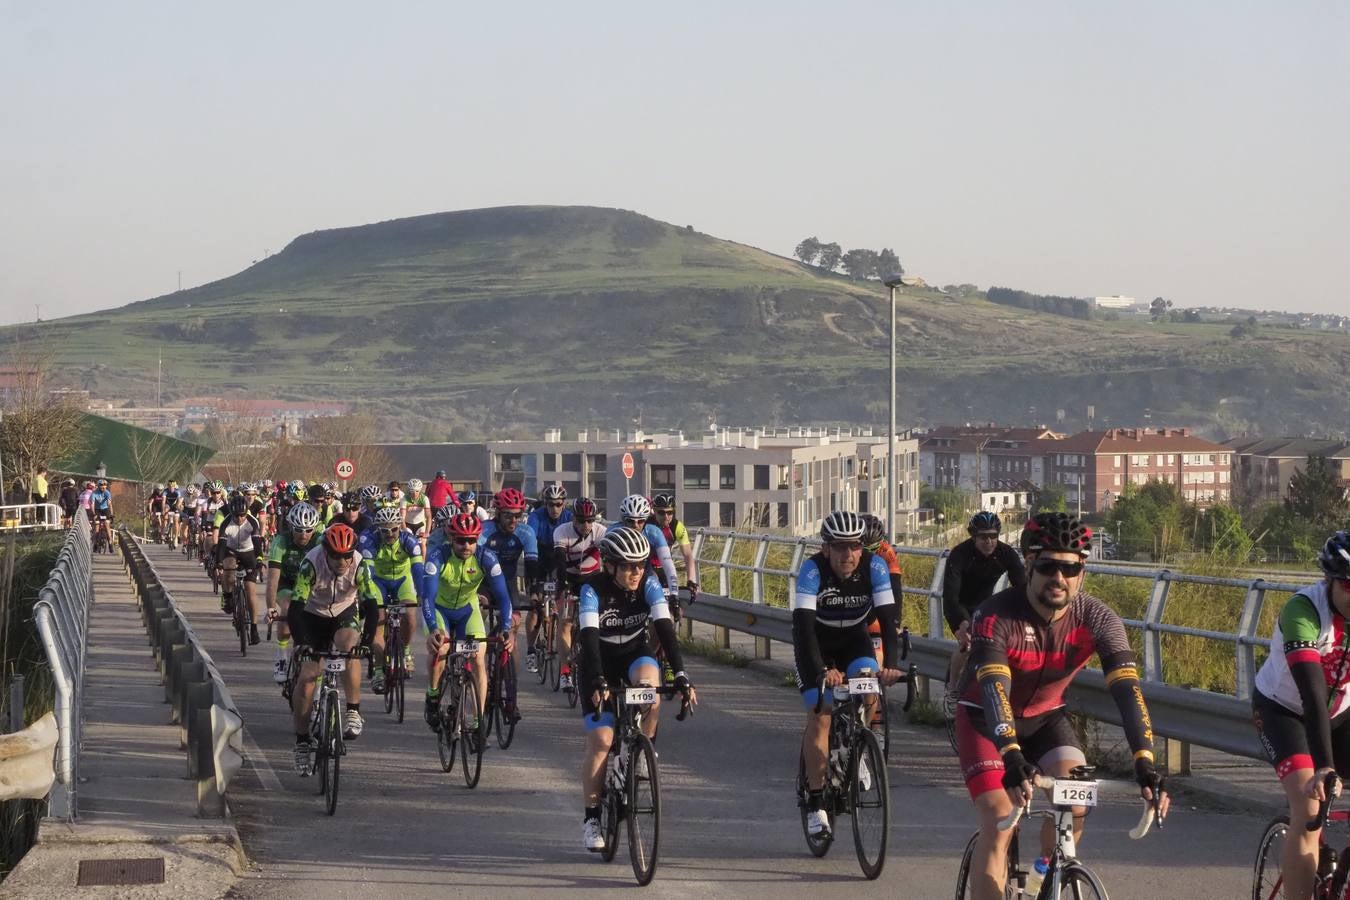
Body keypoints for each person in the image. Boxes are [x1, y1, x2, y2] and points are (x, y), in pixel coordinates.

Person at [956, 512, 1166, 900]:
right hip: (984, 720)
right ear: (1029, 565)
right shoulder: (996, 614)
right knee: (999, 821)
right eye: (1048, 566)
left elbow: (1127, 692)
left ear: (1082, 572)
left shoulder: (1098, 619)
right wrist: (1011, 755)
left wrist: (1145, 761)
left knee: (1076, 799)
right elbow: (994, 688)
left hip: (1046, 719)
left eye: (1070, 568)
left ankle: (1042, 877)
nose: (1059, 578)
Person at [578, 526, 695, 851]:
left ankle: (643, 750)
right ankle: (590, 819)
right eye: (629, 566)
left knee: (651, 688)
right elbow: (588, 640)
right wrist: (600, 680)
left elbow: (664, 628)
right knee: (602, 740)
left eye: (641, 564)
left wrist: (682, 674)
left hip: (633, 653)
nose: (636, 571)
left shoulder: (648, 583)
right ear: (611, 565)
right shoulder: (592, 589)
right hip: (597, 661)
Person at [792, 510, 905, 839]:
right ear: (826, 548)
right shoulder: (812, 571)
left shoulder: (875, 567)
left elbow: (887, 620)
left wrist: (891, 664)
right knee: (822, 715)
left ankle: (859, 744)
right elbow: (804, 628)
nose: (848, 554)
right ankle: (816, 804)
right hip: (815, 645)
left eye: (854, 547)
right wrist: (822, 671)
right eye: (840, 547)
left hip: (855, 640)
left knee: (870, 689)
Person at [1251, 532, 1350, 900]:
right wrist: (1324, 766)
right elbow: (1311, 695)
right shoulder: (1303, 612)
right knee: (1309, 807)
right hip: (1283, 711)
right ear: (1330, 580)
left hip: (1341, 712)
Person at [283, 524, 378, 774]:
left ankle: (353, 711)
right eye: (336, 555)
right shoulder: (310, 563)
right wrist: (302, 642)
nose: (342, 561)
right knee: (307, 678)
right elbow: (295, 609)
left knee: (350, 647)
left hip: (344, 612)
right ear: (326, 552)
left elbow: (371, 606)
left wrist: (366, 643)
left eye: (347, 555)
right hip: (312, 616)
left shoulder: (359, 564)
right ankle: (302, 741)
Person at [420, 513, 514, 729]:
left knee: (479, 656)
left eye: (471, 540)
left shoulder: (486, 557)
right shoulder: (437, 557)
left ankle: (478, 721)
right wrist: (434, 628)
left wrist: (506, 627)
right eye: (461, 540)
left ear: (477, 539)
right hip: (439, 609)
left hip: (466, 609)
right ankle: (433, 694)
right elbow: (428, 597)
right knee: (441, 650)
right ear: (451, 539)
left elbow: (503, 597)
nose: (466, 545)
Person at [943, 511, 1027, 718]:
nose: (989, 541)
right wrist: (961, 624)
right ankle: (952, 690)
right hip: (959, 605)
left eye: (993, 536)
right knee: (967, 644)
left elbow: (1023, 588)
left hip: (987, 605)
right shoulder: (959, 554)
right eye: (983, 537)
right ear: (973, 536)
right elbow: (951, 597)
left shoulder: (1006, 553)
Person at [359, 505, 426, 695]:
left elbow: (418, 571)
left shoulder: (409, 540)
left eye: (394, 529)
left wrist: (422, 595)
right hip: (378, 582)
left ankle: (405, 650)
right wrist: (370, 599)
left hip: (402, 581)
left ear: (400, 527)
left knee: (410, 615)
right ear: (378, 530)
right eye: (385, 531)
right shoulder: (369, 540)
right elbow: (368, 574)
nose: (390, 534)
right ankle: (379, 670)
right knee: (377, 620)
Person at [551, 498, 607, 693]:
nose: (586, 525)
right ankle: (565, 672)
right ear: (573, 518)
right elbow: (559, 561)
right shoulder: (562, 531)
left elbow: (608, 560)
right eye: (582, 520)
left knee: (600, 620)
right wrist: (563, 584)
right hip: (568, 578)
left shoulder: (600, 531)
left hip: (592, 579)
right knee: (565, 622)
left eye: (590, 520)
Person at [265, 502, 323, 684]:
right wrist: (269, 608)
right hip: (287, 582)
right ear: (291, 526)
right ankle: (281, 657)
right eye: (299, 529)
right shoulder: (281, 542)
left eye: (308, 530)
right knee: (288, 609)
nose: (304, 535)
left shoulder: (321, 540)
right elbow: (273, 578)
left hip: (312, 584)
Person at [524, 483, 571, 674]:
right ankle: (530, 649)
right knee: (535, 607)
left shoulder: (568, 517)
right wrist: (534, 581)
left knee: (565, 607)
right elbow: (530, 541)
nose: (555, 509)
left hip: (560, 560)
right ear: (545, 504)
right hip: (540, 559)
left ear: (564, 504)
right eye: (551, 504)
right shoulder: (536, 517)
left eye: (559, 504)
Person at [479, 487, 539, 634]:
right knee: (480, 611)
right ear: (498, 514)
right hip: (483, 581)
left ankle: (497, 645)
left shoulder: (526, 532)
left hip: (508, 582)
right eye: (508, 516)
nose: (513, 521)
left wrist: (533, 592)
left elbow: (531, 565)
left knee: (514, 623)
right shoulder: (484, 530)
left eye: (518, 515)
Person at [213, 495, 266, 642]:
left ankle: (254, 628)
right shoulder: (226, 523)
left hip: (248, 552)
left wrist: (260, 560)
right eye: (237, 515)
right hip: (230, 550)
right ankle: (228, 595)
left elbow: (257, 544)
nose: (240, 518)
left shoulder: (252, 522)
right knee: (228, 568)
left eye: (243, 515)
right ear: (232, 513)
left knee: (251, 591)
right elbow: (221, 547)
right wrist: (218, 564)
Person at [650, 493, 698, 601]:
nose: (666, 516)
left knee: (676, 607)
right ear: (654, 511)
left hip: (665, 567)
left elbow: (688, 555)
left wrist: (691, 580)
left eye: (670, 512)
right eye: (661, 512)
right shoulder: (647, 524)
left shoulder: (677, 527)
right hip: (647, 567)